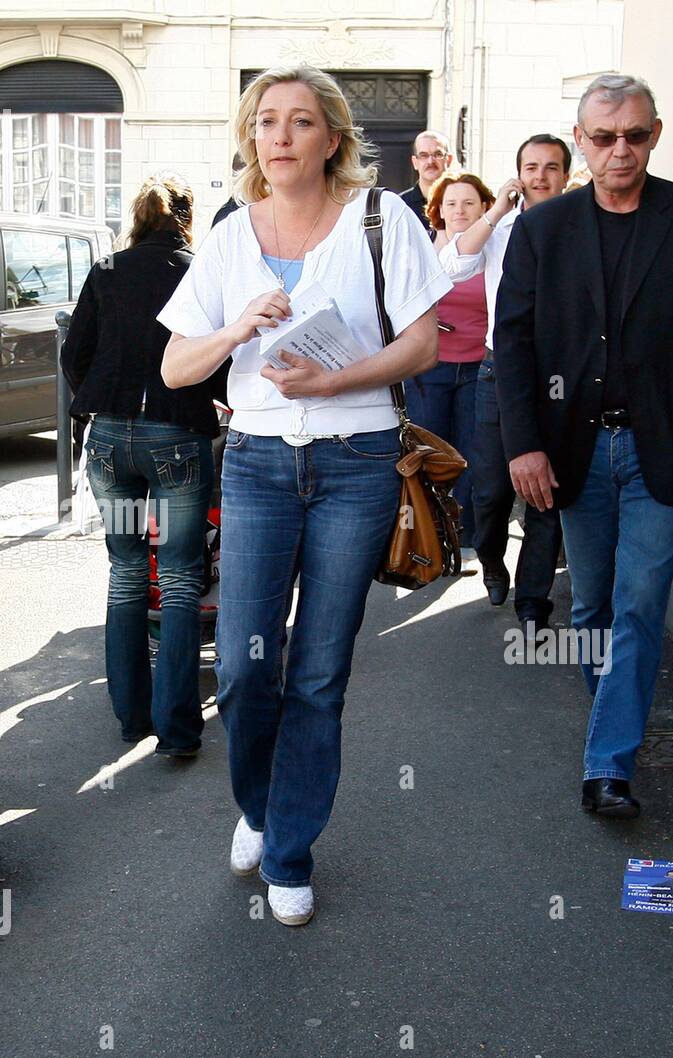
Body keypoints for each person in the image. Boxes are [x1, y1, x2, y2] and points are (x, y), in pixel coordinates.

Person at [159, 65, 450, 928]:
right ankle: (259, 805)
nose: (279, 136)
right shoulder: (226, 237)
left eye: (299, 121)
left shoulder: (380, 218)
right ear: (252, 139)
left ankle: (289, 848)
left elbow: (426, 346)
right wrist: (234, 327)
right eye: (266, 122)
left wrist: (334, 382)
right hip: (253, 463)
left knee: (319, 671)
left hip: (357, 460)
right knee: (248, 667)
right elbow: (178, 367)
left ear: (331, 138)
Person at [495, 76, 673, 817]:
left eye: (635, 136)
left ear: (656, 134)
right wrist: (524, 444)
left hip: (664, 451)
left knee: (640, 605)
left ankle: (608, 765)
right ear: (580, 140)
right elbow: (510, 342)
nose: (620, 151)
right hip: (574, 449)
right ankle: (615, 724)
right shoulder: (544, 229)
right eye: (604, 137)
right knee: (594, 610)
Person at [61, 174, 220, 757]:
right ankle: (177, 730)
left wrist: (100, 401)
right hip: (176, 438)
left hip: (109, 441)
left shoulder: (107, 270)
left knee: (126, 572)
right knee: (179, 581)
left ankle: (131, 718)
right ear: (185, 216)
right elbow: (215, 357)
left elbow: (73, 353)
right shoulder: (198, 270)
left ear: (138, 215)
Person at [439, 133, 569, 630]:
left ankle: (534, 601)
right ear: (518, 175)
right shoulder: (500, 228)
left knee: (547, 493)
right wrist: (494, 210)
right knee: (490, 489)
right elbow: (454, 264)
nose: (540, 177)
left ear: (565, 174)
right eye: (531, 167)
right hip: (500, 369)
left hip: (560, 373)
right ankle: (492, 560)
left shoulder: (579, 226)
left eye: (551, 167)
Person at [404, 171, 495, 560]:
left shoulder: (496, 249)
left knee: (472, 457)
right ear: (438, 210)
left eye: (468, 203)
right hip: (431, 368)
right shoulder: (422, 249)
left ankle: (466, 538)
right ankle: (426, 537)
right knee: (429, 454)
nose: (459, 210)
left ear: (485, 207)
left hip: (478, 367)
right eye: (451, 203)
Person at [400, 130, 452, 233]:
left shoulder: (462, 202)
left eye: (438, 154)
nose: (430, 161)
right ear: (415, 162)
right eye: (423, 155)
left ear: (449, 160)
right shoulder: (401, 205)